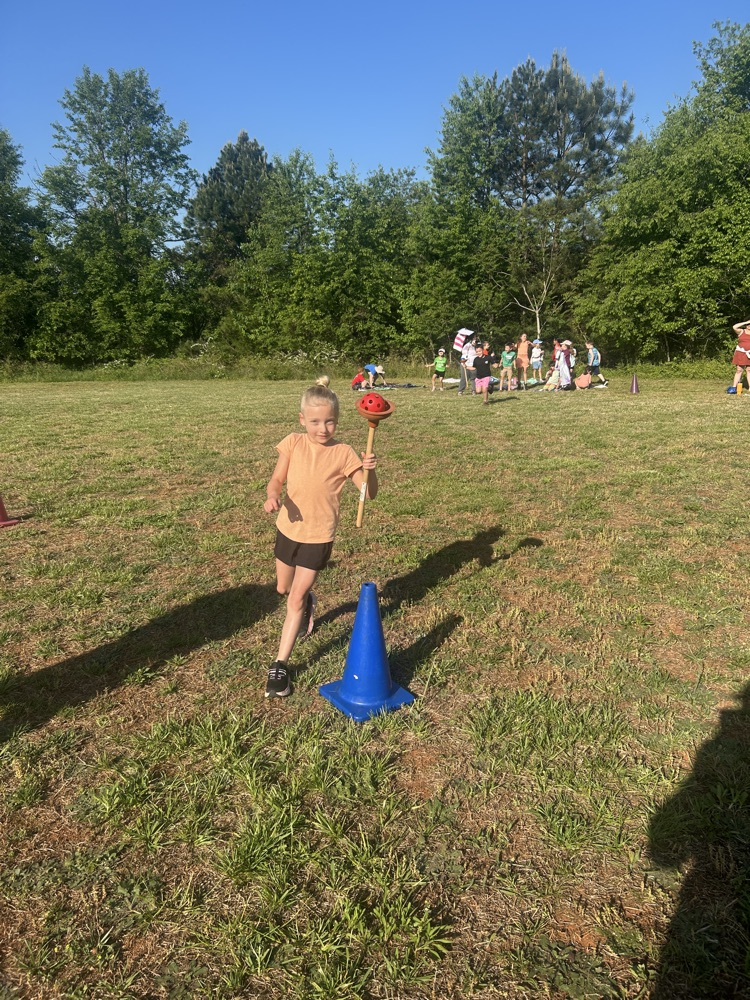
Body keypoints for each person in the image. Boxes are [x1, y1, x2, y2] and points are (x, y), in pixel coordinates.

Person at [262, 379, 378, 698]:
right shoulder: (293, 443)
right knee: (283, 589)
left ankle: (280, 665)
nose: (322, 428)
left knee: (294, 597)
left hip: (318, 535)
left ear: (337, 421)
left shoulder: (344, 452)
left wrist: (369, 470)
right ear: (302, 420)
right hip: (288, 528)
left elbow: (368, 492)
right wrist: (273, 496)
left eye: (329, 421)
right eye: (315, 422)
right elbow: (276, 479)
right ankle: (307, 602)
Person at [728, 319, 750, 393]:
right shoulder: (741, 331)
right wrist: (746, 322)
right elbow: (734, 327)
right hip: (741, 353)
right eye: (748, 325)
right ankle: (734, 387)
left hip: (749, 354)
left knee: (749, 370)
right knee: (739, 370)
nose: (749, 326)